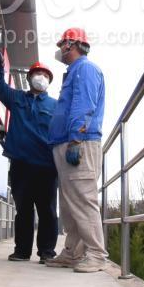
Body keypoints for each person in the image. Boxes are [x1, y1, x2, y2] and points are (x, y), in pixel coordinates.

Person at [44, 27, 108, 273]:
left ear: (73, 44)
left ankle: (96, 254)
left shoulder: (85, 69)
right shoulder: (74, 71)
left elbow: (84, 105)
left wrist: (75, 139)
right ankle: (73, 252)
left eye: (63, 44)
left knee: (83, 199)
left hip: (78, 142)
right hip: (68, 141)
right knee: (70, 205)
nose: (61, 49)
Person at [0, 51, 59, 264]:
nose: (41, 77)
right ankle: (22, 251)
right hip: (21, 164)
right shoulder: (18, 98)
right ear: (29, 78)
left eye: (45, 75)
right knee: (23, 210)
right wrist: (0, 67)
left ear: (49, 81)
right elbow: (1, 89)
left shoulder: (56, 106)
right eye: (38, 74)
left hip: (47, 167)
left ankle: (47, 252)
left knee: (48, 211)